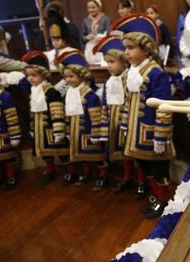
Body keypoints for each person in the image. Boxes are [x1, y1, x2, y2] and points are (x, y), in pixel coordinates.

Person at [120, 18, 175, 218]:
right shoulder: (132, 72)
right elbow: (128, 102)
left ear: (146, 49)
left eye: (131, 48)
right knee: (144, 166)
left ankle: (164, 200)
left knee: (159, 169)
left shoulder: (156, 73)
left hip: (152, 134)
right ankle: (156, 197)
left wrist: (161, 137)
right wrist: (125, 125)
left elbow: (163, 108)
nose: (126, 52)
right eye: (125, 48)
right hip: (136, 133)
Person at [54, 50, 107, 186]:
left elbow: (96, 117)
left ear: (81, 76)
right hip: (75, 131)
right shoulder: (68, 94)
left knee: (97, 157)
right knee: (81, 156)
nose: (68, 80)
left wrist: (96, 134)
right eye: (66, 77)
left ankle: (103, 176)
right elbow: (67, 113)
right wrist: (67, 130)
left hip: (89, 132)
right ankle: (86, 172)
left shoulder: (90, 95)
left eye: (71, 76)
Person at [92, 36, 134, 192]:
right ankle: (127, 177)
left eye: (112, 62)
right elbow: (105, 104)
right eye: (106, 61)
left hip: (127, 122)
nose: (108, 66)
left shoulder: (130, 79)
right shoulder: (109, 82)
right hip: (113, 122)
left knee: (132, 155)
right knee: (122, 155)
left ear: (123, 62)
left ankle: (141, 181)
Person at [21, 51, 69, 186]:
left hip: (51, 128)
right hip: (38, 128)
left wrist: (59, 130)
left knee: (61, 152)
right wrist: (31, 128)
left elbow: (57, 111)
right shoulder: (33, 91)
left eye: (34, 75)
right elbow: (32, 111)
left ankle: (69, 170)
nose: (30, 78)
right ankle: (50, 169)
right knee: (45, 153)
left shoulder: (51, 92)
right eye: (28, 75)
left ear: (43, 74)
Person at [0, 66, 21, 190]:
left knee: (8, 156)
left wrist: (14, 134)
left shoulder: (4, 96)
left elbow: (12, 117)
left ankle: (10, 175)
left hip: (2, 132)